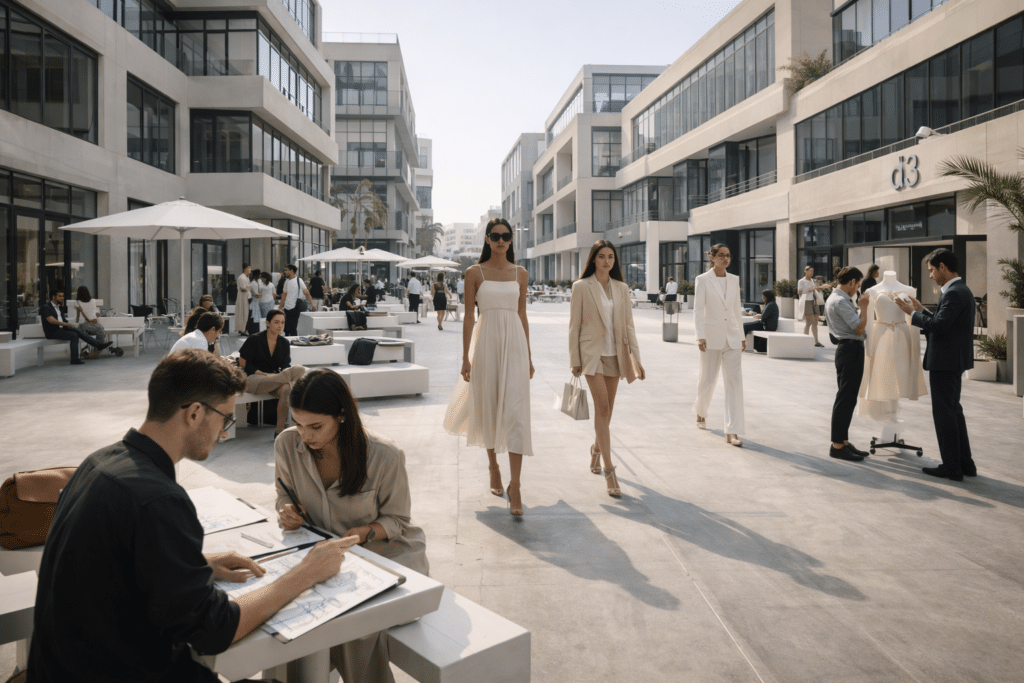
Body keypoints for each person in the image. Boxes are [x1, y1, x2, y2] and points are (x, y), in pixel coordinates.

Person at [28, 349, 355, 683]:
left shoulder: (99, 462)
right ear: (196, 413)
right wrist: (305, 574)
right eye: (225, 419)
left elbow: (109, 565)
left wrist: (193, 564)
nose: (224, 433)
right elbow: (215, 629)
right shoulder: (158, 499)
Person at [276, 369, 428, 682]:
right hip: (328, 558)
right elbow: (282, 495)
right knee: (288, 616)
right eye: (298, 423)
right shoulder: (287, 445)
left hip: (388, 557)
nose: (305, 435)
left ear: (342, 415)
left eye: (316, 426)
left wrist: (365, 532)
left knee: (355, 624)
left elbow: (398, 520)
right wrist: (286, 511)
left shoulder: (384, 456)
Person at [443, 218, 534, 516]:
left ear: (511, 240)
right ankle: (493, 465)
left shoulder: (521, 273)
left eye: (506, 236)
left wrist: (529, 356)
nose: (501, 240)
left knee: (517, 412)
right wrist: (465, 358)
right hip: (485, 345)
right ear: (487, 238)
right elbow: (469, 317)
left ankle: (516, 485)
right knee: (490, 405)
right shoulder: (474, 273)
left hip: (515, 345)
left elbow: (522, 316)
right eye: (495, 236)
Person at [568, 240, 646, 497]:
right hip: (592, 356)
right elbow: (574, 326)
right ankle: (610, 469)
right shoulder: (581, 287)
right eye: (601, 257)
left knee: (608, 411)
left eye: (610, 257)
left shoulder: (622, 288)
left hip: (616, 355)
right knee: (602, 407)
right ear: (593, 259)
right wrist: (574, 359)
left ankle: (596, 449)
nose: (606, 261)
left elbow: (629, 325)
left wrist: (636, 357)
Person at [896, 248, 976, 481]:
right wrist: (922, 310)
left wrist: (912, 314)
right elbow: (946, 321)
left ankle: (952, 466)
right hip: (953, 360)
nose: (930, 275)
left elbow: (940, 326)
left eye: (931, 270)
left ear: (942, 267)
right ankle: (964, 463)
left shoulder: (953, 293)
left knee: (945, 414)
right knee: (954, 411)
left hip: (945, 361)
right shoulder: (961, 290)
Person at [692, 244, 746, 446]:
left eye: (728, 255)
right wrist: (700, 335)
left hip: (732, 337)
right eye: (721, 255)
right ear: (712, 257)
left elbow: (735, 309)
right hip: (710, 336)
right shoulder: (703, 280)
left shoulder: (734, 280)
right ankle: (701, 411)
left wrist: (741, 336)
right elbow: (698, 310)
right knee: (707, 379)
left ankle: (732, 431)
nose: (725, 259)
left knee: (734, 383)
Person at [823, 266, 871, 462]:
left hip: (848, 349)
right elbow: (859, 328)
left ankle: (842, 441)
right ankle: (837, 445)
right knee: (845, 399)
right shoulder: (840, 301)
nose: (858, 287)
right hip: (850, 349)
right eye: (858, 284)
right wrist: (864, 306)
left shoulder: (838, 299)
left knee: (848, 398)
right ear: (851, 282)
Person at [238, 308, 307, 436]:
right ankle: (297, 386)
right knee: (298, 371)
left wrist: (279, 374)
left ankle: (279, 431)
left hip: (275, 379)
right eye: (276, 322)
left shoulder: (284, 343)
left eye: (282, 322)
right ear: (268, 323)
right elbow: (243, 363)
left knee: (286, 388)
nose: (280, 325)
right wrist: (262, 374)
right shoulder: (254, 339)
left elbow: (285, 365)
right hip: (254, 378)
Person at [41, 288, 111, 365]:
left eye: (63, 296)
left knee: (76, 330)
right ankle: (76, 358)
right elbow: (52, 320)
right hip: (52, 332)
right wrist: (67, 325)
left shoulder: (59, 307)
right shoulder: (46, 307)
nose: (62, 298)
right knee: (74, 335)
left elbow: (63, 319)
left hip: (62, 329)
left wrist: (68, 325)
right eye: (60, 296)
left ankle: (98, 345)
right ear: (53, 297)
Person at [798, 265, 827, 347]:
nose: (812, 272)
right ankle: (805, 340)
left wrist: (819, 287)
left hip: (814, 301)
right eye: (810, 271)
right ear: (805, 271)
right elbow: (799, 293)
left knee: (815, 322)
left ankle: (816, 341)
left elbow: (818, 289)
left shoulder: (813, 281)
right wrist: (809, 290)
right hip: (806, 301)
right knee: (809, 322)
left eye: (812, 271)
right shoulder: (801, 281)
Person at [72, 285, 107, 353]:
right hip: (94, 323)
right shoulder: (93, 301)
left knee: (85, 333)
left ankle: (85, 349)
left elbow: (77, 318)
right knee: (101, 331)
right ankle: (97, 349)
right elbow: (95, 312)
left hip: (84, 325)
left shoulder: (77, 302)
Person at [281, 264, 313, 337]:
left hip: (295, 307)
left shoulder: (299, 280)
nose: (285, 272)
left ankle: (293, 342)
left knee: (293, 328)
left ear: (291, 271)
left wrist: (312, 304)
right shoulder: (286, 281)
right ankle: (287, 343)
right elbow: (284, 294)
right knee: (286, 328)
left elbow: (306, 293)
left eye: (286, 270)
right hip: (286, 307)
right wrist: (281, 306)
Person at [236, 264, 251, 337]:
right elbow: (243, 288)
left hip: (245, 296)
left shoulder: (245, 277)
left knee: (244, 312)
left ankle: (242, 328)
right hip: (243, 296)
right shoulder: (242, 277)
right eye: (249, 269)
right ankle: (242, 329)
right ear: (246, 269)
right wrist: (249, 286)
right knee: (243, 312)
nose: (250, 271)